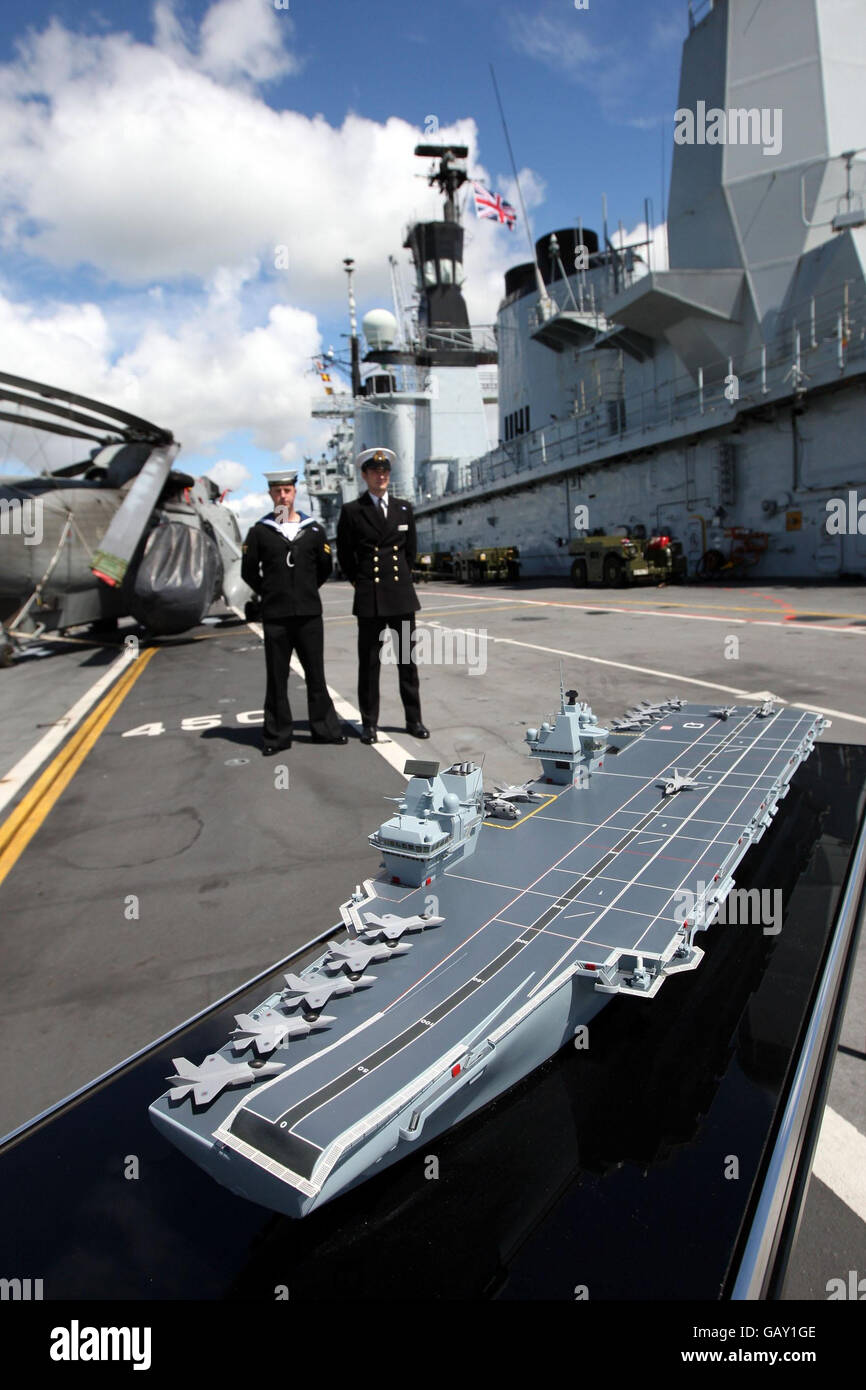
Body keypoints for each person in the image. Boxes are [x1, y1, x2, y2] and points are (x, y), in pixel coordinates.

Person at [241, 469, 347, 754]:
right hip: (276, 617)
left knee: (316, 674)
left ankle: (325, 730)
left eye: (287, 490)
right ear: (270, 494)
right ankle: (276, 737)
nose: (282, 496)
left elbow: (324, 567)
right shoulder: (260, 531)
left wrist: (306, 590)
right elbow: (248, 570)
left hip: (309, 614)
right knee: (277, 678)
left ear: (294, 492)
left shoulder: (313, 530)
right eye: (277, 491)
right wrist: (271, 593)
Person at [337, 448, 429, 744]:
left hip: (401, 598)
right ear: (364, 475)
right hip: (371, 599)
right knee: (369, 666)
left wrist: (401, 579)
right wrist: (360, 582)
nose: (381, 475)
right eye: (375, 471)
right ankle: (369, 725)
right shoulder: (352, 511)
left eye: (385, 471)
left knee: (407, 664)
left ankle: (413, 720)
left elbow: (410, 552)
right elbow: (345, 555)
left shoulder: (404, 509)